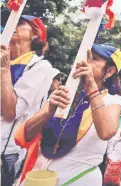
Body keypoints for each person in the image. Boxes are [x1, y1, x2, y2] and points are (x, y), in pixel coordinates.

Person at [14, 44, 121, 185]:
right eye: (84, 57)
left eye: (94, 59)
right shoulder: (64, 92)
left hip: (79, 179)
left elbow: (106, 132)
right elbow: (27, 135)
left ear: (109, 71)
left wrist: (92, 90)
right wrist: (49, 112)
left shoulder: (113, 100)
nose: (84, 62)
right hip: (38, 177)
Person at [1, 11, 53, 186]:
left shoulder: (40, 66)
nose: (11, 25)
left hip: (6, 152)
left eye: (19, 22)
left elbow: (10, 112)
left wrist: (4, 70)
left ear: (35, 34)